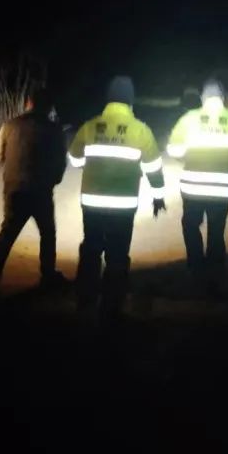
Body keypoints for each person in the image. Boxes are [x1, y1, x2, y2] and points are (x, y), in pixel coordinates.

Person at [68, 76, 166, 322]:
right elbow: (154, 168)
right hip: (123, 206)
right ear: (130, 102)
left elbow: (75, 160)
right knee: (118, 254)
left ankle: (85, 300)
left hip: (92, 203)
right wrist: (158, 197)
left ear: (108, 100)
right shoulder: (140, 130)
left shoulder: (90, 126)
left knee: (91, 249)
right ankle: (111, 307)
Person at [167, 79, 228, 297]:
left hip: (193, 187)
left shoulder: (189, 119)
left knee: (190, 225)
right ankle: (215, 276)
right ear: (222, 98)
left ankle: (196, 269)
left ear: (203, 98)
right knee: (216, 231)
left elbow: (174, 150)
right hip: (223, 188)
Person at [0, 87, 68, 299]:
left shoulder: (10, 125)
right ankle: (47, 275)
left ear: (29, 103)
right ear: (48, 107)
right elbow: (60, 162)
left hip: (15, 189)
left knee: (6, 235)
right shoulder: (54, 130)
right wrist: (54, 179)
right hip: (41, 190)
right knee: (48, 233)